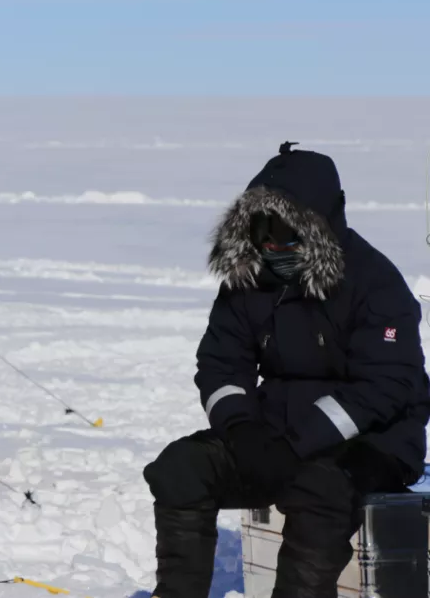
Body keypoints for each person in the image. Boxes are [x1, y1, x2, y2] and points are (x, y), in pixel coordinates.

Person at [143, 143, 430, 598]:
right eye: (262, 232)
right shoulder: (248, 280)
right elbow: (221, 363)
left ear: (319, 226)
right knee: (181, 468)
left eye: (286, 233)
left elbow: (386, 386)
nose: (272, 246)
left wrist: (296, 444)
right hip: (273, 433)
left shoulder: (375, 283)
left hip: (373, 442)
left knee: (320, 490)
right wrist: (241, 430)